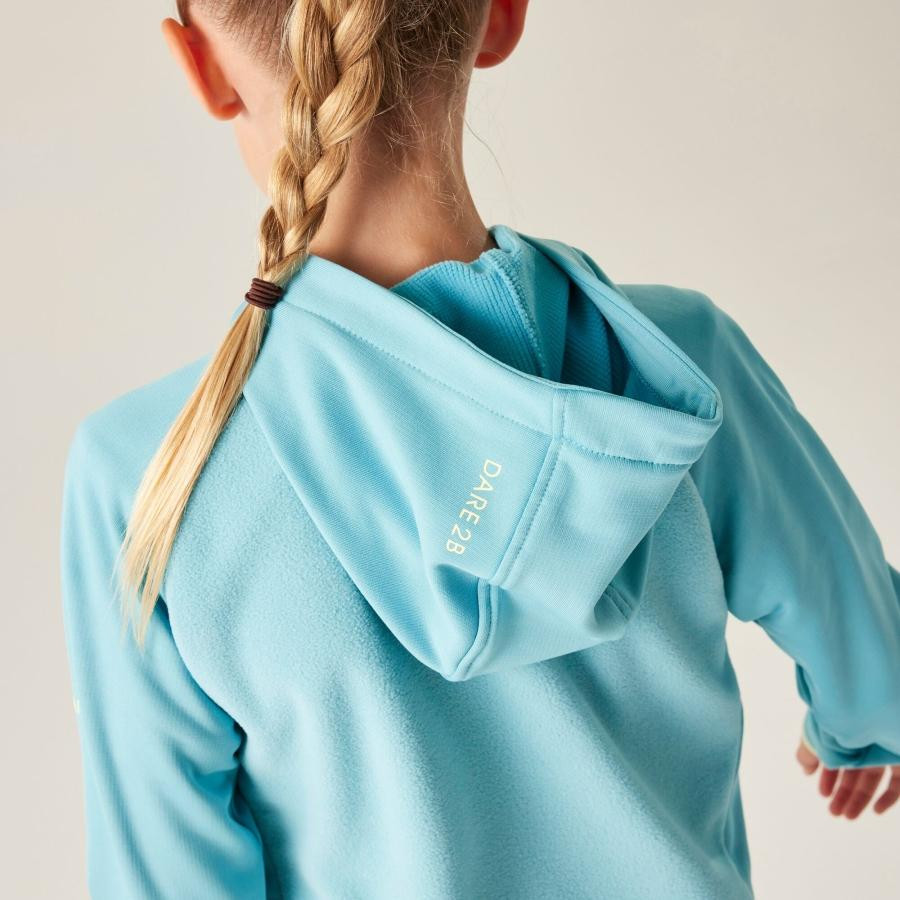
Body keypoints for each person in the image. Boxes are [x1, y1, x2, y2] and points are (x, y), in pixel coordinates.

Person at [59, 1, 900, 897]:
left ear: (202, 67)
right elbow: (878, 667)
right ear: (501, 17)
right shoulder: (679, 362)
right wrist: (858, 728)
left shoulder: (150, 475)